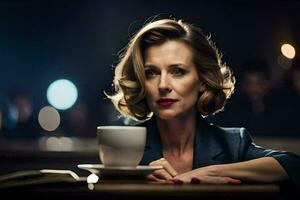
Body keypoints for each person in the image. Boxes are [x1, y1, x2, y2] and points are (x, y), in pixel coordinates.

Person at [106, 18, 300, 188]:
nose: (163, 85)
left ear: (202, 80)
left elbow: (293, 165)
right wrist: (137, 177)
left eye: (178, 71)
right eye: (151, 73)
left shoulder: (231, 144)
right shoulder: (124, 144)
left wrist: (211, 172)